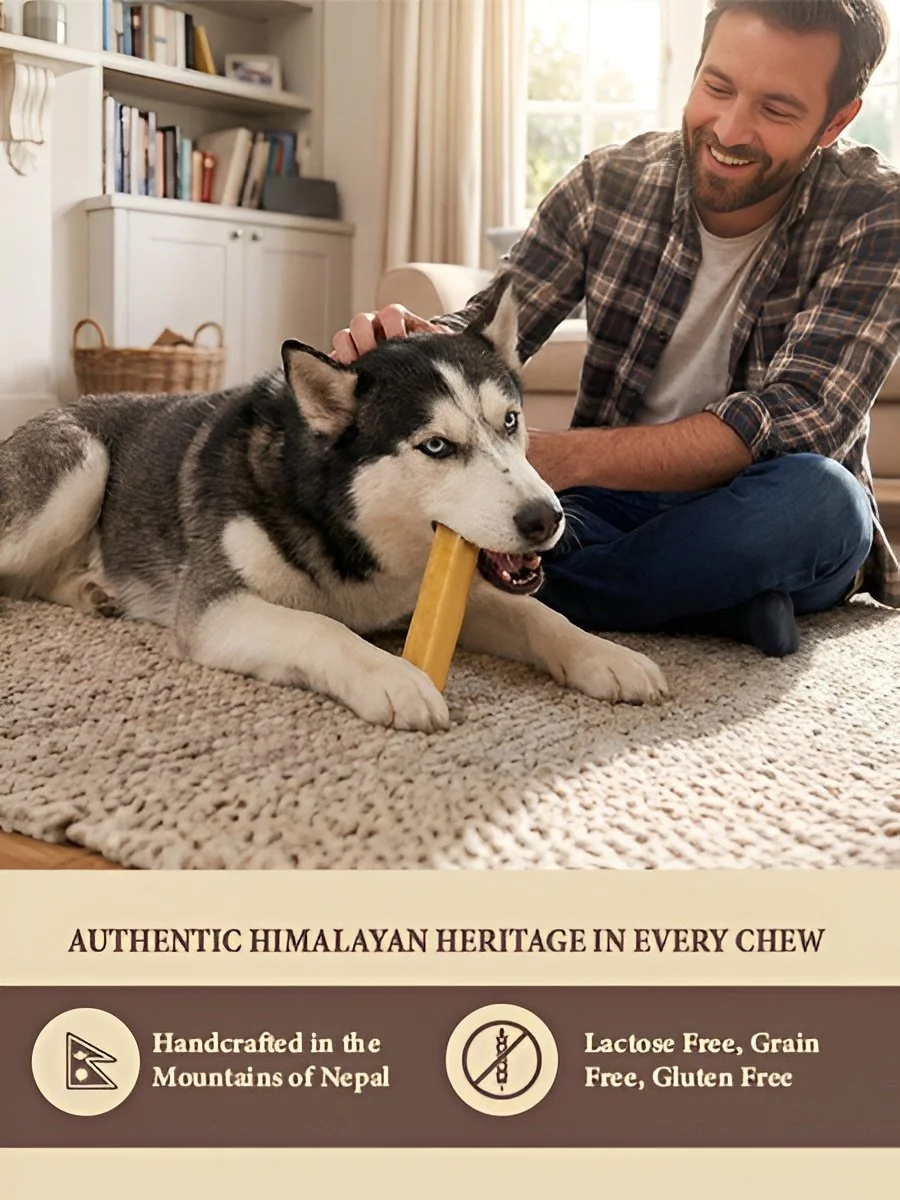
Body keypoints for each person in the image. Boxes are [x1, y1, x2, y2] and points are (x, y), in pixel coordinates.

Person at [332, 0, 900, 657]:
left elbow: (802, 415)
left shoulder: (877, 213)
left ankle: (564, 595)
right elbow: (489, 324)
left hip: (766, 503)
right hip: (604, 506)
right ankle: (720, 604)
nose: (730, 129)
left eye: (776, 109)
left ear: (835, 121)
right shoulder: (607, 183)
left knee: (824, 505)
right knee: (496, 508)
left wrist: (562, 455)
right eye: (717, 87)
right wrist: (414, 345)